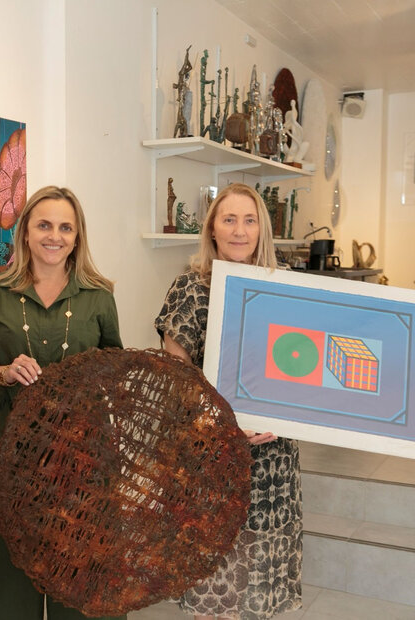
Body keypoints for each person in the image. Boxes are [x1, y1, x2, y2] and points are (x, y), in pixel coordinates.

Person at [0, 186, 123, 620]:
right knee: (12, 564)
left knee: (79, 567)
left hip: (85, 456)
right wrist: (3, 372)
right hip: (15, 453)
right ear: (26, 232)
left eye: (65, 227)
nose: (54, 236)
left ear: (77, 237)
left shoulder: (99, 296)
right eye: (44, 225)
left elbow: (115, 369)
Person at [154, 182, 302, 619]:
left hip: (273, 459)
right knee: (215, 585)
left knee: (262, 586)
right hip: (211, 457)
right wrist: (227, 423)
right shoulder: (190, 288)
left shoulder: (287, 287)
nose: (240, 230)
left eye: (250, 220)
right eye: (229, 219)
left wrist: (288, 415)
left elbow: (303, 370)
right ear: (212, 230)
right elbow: (175, 378)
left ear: (263, 230)